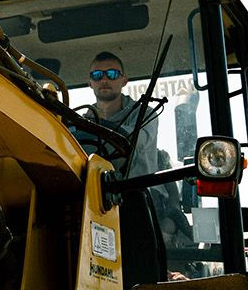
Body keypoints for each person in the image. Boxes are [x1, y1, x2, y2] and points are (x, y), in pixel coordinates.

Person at [78, 50, 196, 266]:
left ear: (124, 80)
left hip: (141, 201)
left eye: (112, 74)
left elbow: (129, 143)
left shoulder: (145, 115)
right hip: (94, 201)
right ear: (90, 83)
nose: (104, 79)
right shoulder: (78, 121)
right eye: (97, 76)